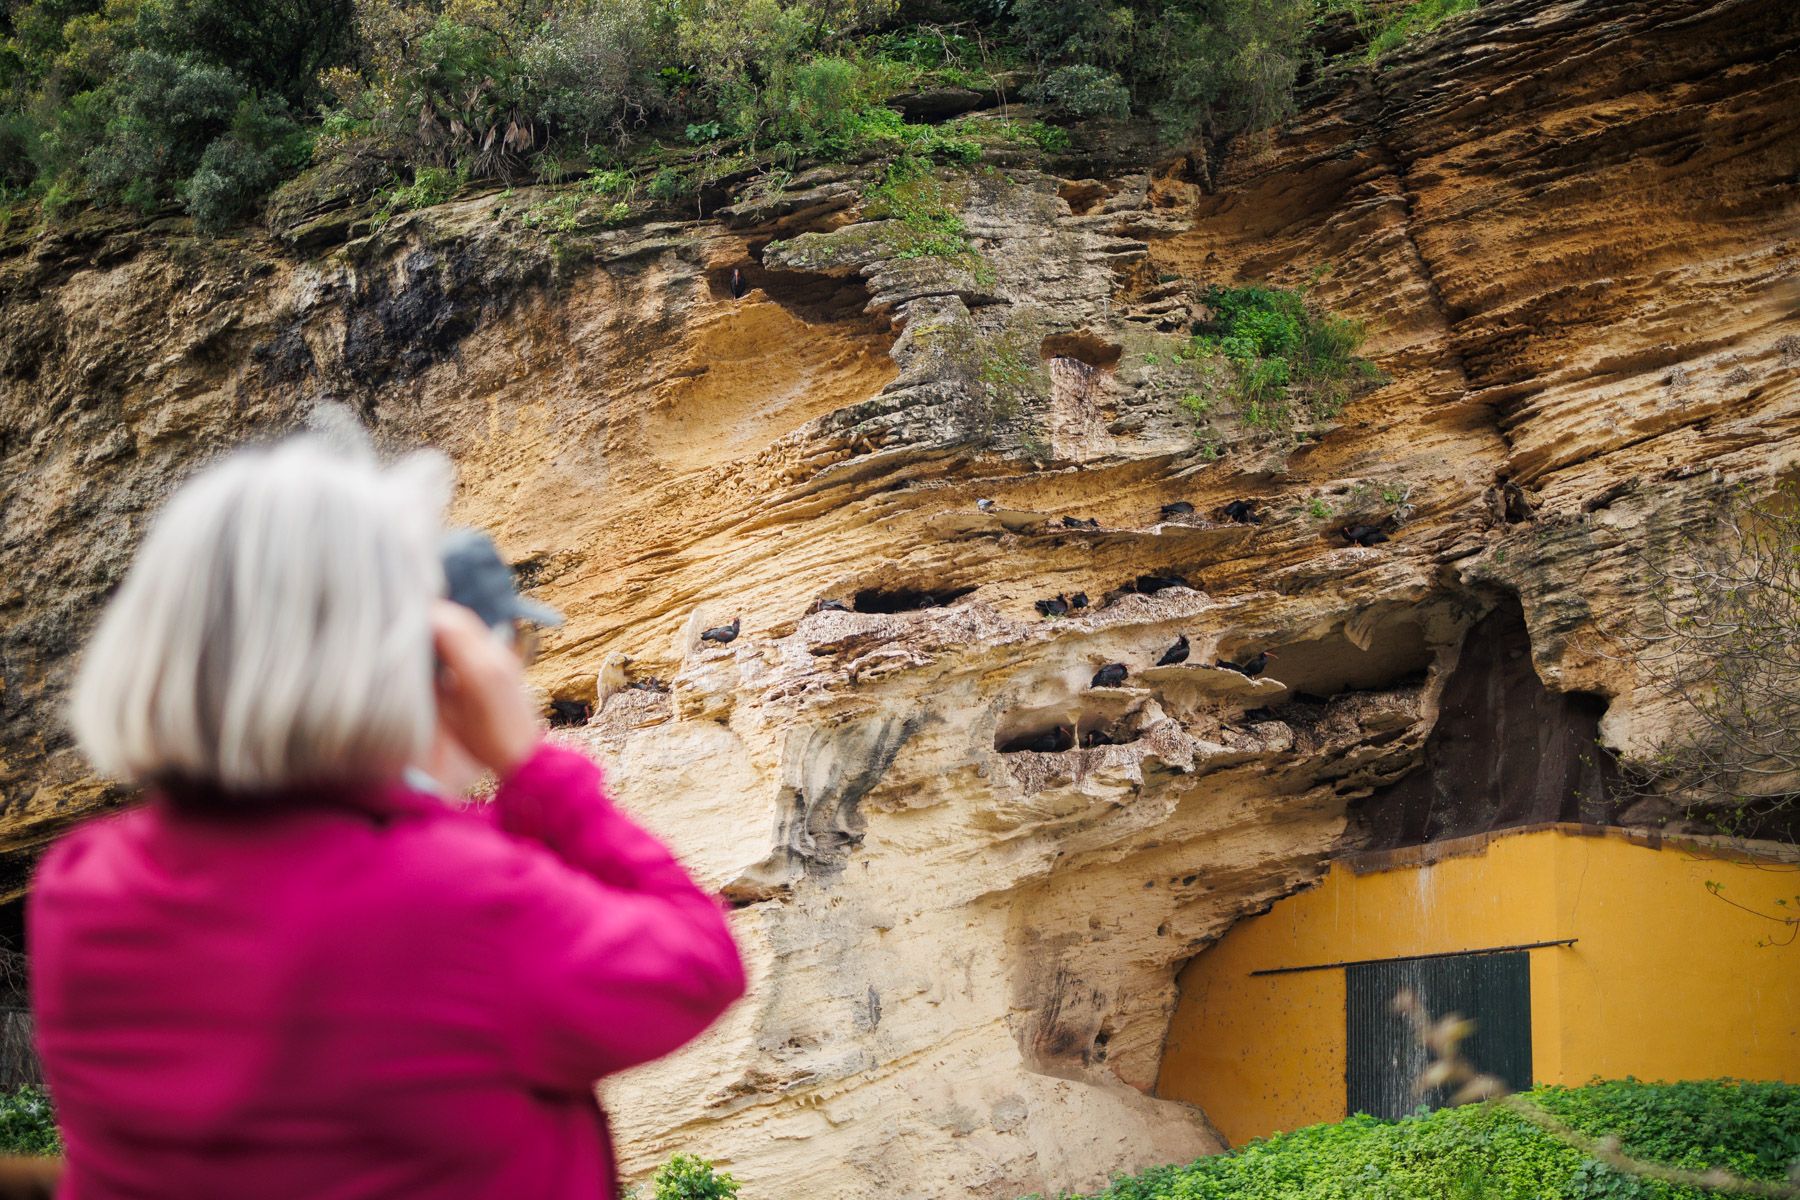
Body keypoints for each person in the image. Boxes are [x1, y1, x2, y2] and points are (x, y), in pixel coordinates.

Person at [28, 438, 745, 1199]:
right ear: (406, 659)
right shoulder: (457, 904)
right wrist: (530, 762)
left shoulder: (79, 886)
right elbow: (699, 962)